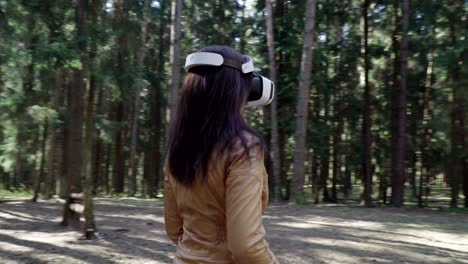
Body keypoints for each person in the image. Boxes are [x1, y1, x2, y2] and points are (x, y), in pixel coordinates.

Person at [164, 45, 278, 264]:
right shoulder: (244, 149)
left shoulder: (178, 148)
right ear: (238, 92)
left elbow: (174, 229)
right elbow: (246, 247)